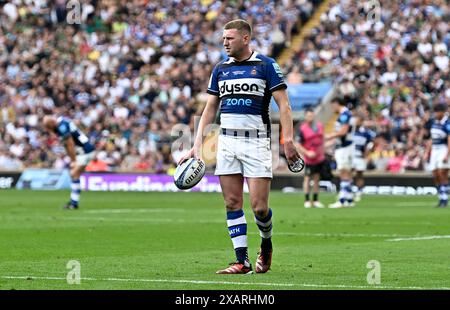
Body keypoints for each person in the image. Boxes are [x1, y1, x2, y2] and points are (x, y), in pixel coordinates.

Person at [179, 19, 301, 274]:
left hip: (256, 141)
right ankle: (241, 261)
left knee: (259, 207)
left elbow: (285, 105)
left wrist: (287, 140)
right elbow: (210, 109)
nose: (225, 43)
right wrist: (197, 145)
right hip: (227, 141)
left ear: (245, 38)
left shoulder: (266, 65)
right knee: (232, 202)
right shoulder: (220, 69)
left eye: (230, 38)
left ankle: (266, 244)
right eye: (223, 38)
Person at [43, 115, 96, 209]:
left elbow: (70, 144)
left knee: (74, 173)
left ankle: (74, 203)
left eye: (49, 128)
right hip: (84, 150)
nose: (50, 131)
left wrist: (73, 160)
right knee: (74, 174)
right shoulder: (62, 120)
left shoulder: (61, 128)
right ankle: (73, 202)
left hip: (85, 151)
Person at [325, 97, 355, 208]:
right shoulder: (346, 114)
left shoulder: (344, 114)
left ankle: (342, 200)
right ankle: (349, 199)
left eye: (333, 105)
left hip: (344, 147)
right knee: (347, 172)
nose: (332, 108)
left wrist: (329, 136)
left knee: (343, 172)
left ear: (337, 103)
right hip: (346, 146)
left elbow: (343, 131)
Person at [296, 108, 325, 208]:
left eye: (312, 115)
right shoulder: (302, 129)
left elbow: (322, 140)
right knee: (307, 178)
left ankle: (316, 200)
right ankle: (307, 200)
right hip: (309, 159)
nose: (310, 117)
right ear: (305, 116)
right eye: (308, 115)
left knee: (317, 178)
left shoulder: (319, 126)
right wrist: (307, 153)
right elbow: (298, 145)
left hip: (319, 158)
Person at [425, 103, 450, 208]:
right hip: (434, 150)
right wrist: (427, 152)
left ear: (442, 112)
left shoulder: (447, 123)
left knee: (441, 173)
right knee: (435, 174)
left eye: (437, 112)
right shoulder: (434, 122)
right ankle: (441, 198)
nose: (436, 114)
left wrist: (447, 155)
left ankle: (444, 199)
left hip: (443, 149)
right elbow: (431, 139)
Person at [352, 114, 375, 202]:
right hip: (351, 156)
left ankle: (358, 192)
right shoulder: (350, 131)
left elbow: (370, 144)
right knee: (349, 174)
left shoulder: (365, 133)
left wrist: (367, 154)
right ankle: (348, 192)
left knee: (359, 175)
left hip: (360, 156)